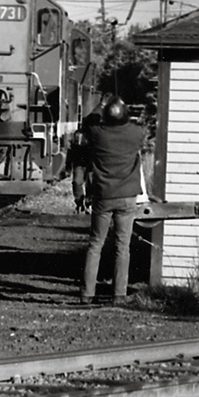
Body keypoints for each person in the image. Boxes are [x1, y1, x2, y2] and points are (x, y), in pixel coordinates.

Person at [72, 97, 144, 304]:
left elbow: (88, 121)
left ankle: (87, 294)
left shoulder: (97, 134)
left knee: (95, 245)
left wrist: (100, 104)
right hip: (128, 197)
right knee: (123, 246)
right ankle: (119, 294)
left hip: (103, 196)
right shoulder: (136, 134)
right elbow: (140, 132)